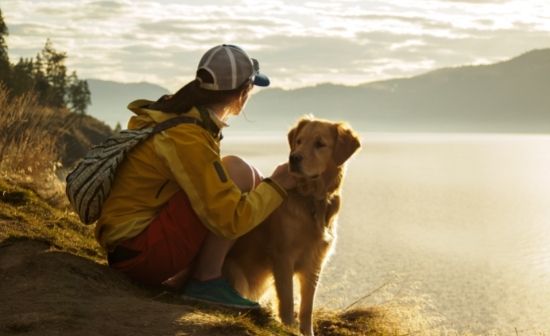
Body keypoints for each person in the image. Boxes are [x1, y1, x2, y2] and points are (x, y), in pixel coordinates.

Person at [95, 44, 295, 309]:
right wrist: (277, 186)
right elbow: (229, 220)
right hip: (140, 255)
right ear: (243, 93)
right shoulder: (188, 135)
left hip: (128, 247)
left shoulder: (178, 115)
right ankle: (205, 280)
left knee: (243, 174)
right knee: (239, 172)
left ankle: (189, 278)